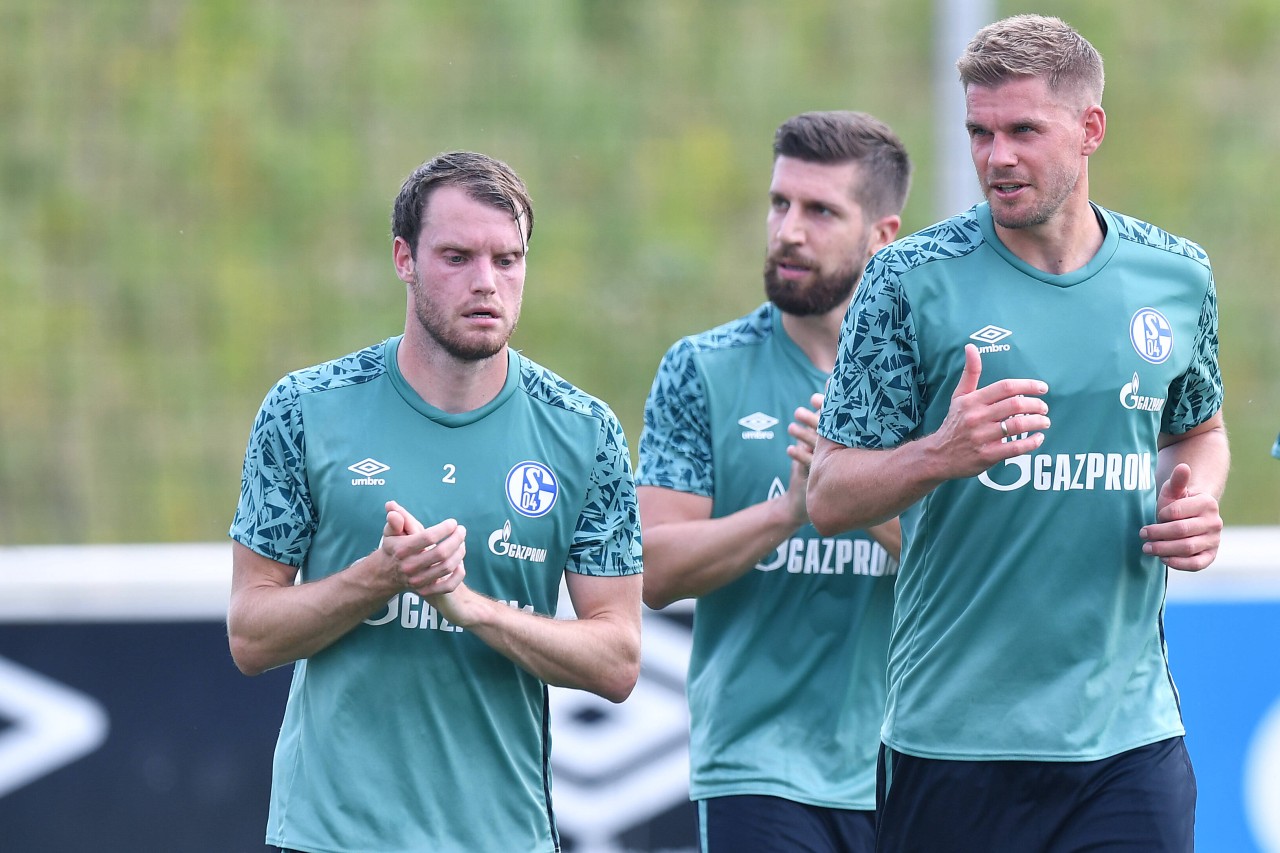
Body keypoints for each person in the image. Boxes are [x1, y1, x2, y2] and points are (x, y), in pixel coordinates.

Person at [808, 15, 1229, 853]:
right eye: (980, 132)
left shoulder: (1176, 276)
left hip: (1127, 739)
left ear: (1089, 130)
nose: (996, 156)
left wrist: (1197, 494)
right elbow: (828, 494)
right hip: (954, 743)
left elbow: (1200, 429)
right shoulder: (907, 280)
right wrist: (942, 452)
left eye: (1023, 130)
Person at [226, 151, 644, 853]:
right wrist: (381, 576)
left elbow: (618, 658)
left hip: (501, 835)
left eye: (508, 260)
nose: (487, 282)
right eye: (457, 256)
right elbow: (250, 633)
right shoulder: (305, 410)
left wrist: (471, 606)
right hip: (330, 835)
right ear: (404, 259)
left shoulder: (583, 431)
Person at [637, 111, 912, 852]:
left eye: (821, 211)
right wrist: (791, 509)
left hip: (914, 767)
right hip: (758, 773)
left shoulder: (935, 381)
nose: (789, 229)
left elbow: (976, 574)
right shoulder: (703, 370)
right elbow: (654, 568)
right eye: (780, 203)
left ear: (882, 235)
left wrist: (855, 495)